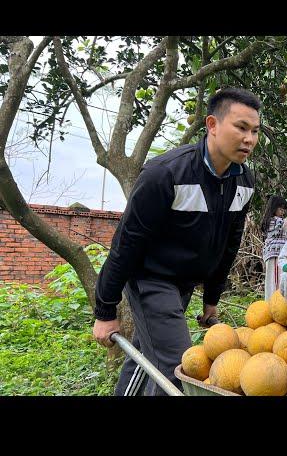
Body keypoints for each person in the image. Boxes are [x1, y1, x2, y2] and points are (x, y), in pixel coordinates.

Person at [92, 87, 261, 396]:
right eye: (240, 127)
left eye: (254, 130)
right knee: (178, 370)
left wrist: (212, 297)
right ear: (212, 125)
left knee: (146, 358)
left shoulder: (244, 182)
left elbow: (229, 243)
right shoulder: (165, 174)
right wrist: (105, 311)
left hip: (184, 284)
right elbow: (126, 244)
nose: (249, 138)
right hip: (150, 280)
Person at [260, 195, 287, 301]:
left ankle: (273, 304)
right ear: (274, 208)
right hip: (275, 255)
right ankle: (275, 305)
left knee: (273, 281)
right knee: (277, 282)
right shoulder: (274, 221)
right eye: (280, 208)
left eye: (284, 209)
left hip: (277, 255)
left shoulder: (274, 221)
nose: (283, 211)